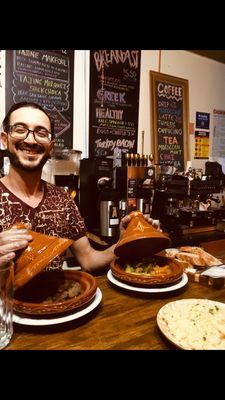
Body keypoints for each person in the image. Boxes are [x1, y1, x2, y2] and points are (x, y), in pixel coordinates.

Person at [0, 101, 160, 271]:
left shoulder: (62, 200)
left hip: (57, 297)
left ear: (51, 147)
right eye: (20, 130)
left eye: (41, 133)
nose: (31, 140)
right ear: (5, 139)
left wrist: (125, 241)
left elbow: (89, 259)